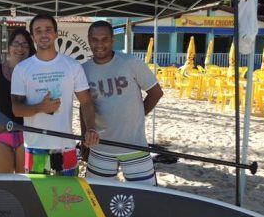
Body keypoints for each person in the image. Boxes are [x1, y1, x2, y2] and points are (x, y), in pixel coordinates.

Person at [11, 14, 99, 176]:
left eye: (48, 30)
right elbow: (16, 109)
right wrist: (40, 107)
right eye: (38, 31)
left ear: (56, 33)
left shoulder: (72, 66)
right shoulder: (22, 69)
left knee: (68, 197)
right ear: (33, 37)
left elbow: (86, 102)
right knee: (38, 198)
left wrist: (91, 128)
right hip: (34, 146)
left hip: (66, 145)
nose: (44, 34)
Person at [82, 20, 164, 186]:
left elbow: (156, 93)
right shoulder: (83, 70)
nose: (99, 44)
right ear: (89, 41)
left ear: (113, 40)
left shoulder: (131, 62)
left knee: (146, 198)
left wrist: (137, 116)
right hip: (100, 147)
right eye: (95, 39)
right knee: (98, 198)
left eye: (104, 39)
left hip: (135, 146)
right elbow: (85, 106)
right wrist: (85, 139)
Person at [0, 28, 36, 173]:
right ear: (9, 48)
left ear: (30, 48)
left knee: (26, 186)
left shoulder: (36, 74)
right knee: (3, 184)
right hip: (1, 134)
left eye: (25, 44)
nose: (20, 48)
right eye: (16, 43)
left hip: (28, 135)